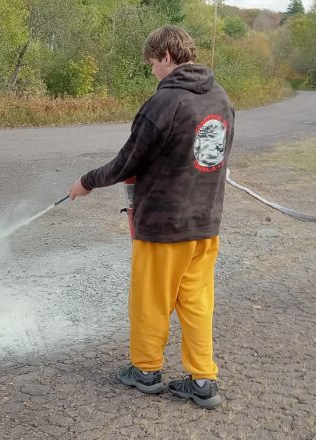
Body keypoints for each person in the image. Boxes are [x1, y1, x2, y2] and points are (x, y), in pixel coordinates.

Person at [68, 25, 234, 409]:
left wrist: (87, 181)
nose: (153, 72)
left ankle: (145, 370)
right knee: (196, 302)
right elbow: (215, 158)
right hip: (205, 224)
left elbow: (129, 160)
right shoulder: (221, 97)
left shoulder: (165, 103)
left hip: (164, 225)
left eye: (152, 64)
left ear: (166, 57)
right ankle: (203, 379)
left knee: (151, 301)